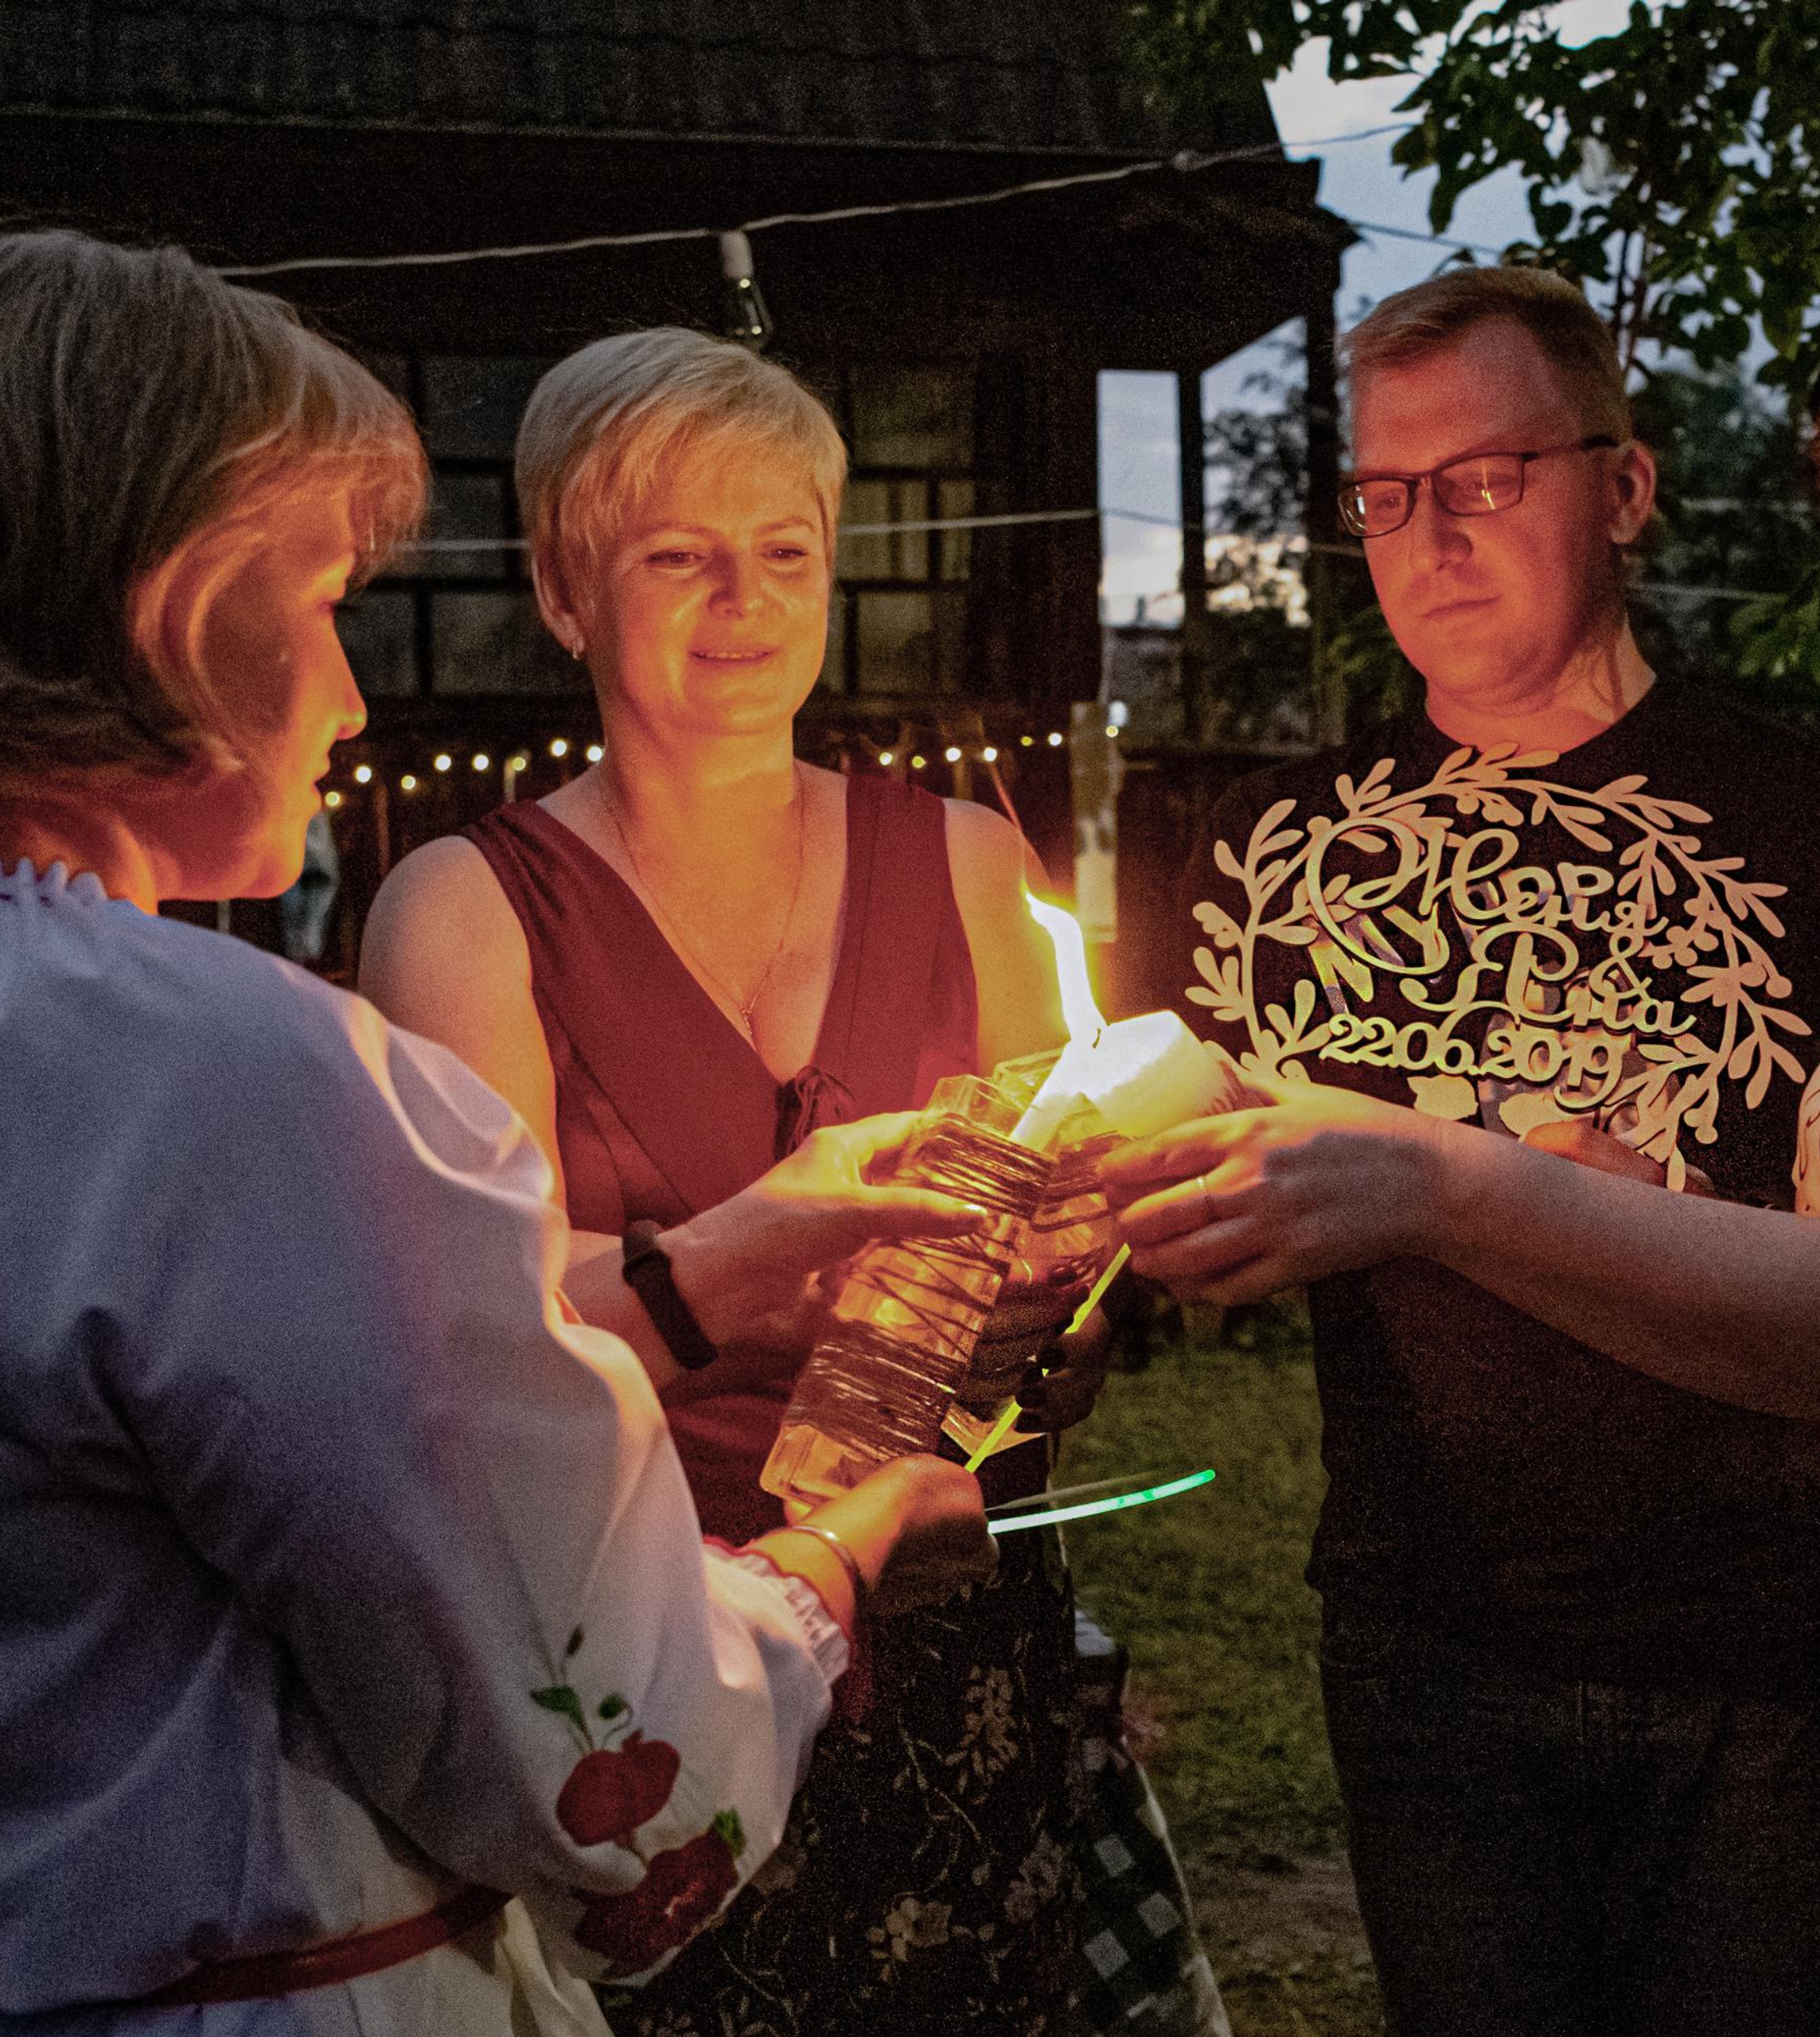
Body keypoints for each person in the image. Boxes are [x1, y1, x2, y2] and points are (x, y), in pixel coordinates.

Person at [0, 228, 1000, 2035]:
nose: (353, 695)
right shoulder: (225, 1080)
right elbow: (603, 1766)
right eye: (315, 603)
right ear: (174, 603)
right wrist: (823, 1576)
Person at [1111, 226, 1820, 2035]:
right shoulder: (1267, 849)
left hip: (1781, 1637)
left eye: (1483, 476)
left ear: (1621, 487)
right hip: (1431, 1616)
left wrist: (1456, 1179)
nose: (1432, 535)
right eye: (1383, 496)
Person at [359, 327, 1113, 2035]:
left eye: (784, 551)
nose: (744, 599)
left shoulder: (971, 864)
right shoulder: (471, 910)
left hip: (945, 1626)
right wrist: (732, 1259)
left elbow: (1047, 1276)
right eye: (677, 555)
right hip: (646, 1653)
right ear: (564, 591)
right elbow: (463, 1334)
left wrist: (1060, 1296)